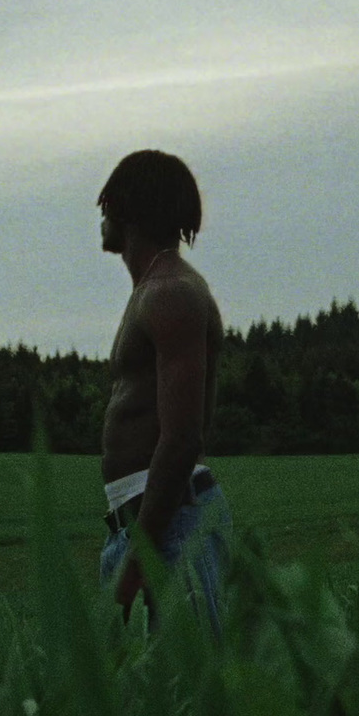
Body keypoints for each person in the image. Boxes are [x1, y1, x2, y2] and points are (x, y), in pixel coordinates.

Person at [95, 150, 230, 636]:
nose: (101, 214)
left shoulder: (172, 292)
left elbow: (180, 438)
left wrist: (139, 558)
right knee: (134, 705)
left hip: (169, 527)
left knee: (188, 699)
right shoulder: (153, 290)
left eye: (108, 202)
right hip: (142, 525)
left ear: (131, 208)